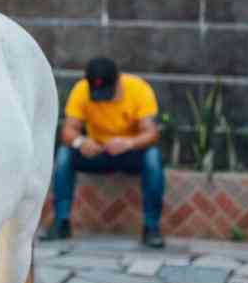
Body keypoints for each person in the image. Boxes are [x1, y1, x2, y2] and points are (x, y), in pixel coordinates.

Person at [41, 57, 165, 249]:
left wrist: (129, 143)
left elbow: (152, 134)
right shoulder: (81, 89)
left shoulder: (139, 89)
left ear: (117, 81)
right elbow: (67, 131)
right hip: (96, 152)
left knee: (153, 158)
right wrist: (81, 141)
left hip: (129, 152)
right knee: (65, 154)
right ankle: (61, 222)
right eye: (97, 93)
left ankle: (152, 227)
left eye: (106, 93)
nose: (102, 98)